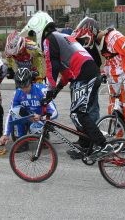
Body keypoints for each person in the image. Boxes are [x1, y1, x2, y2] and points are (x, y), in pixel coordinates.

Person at [20, 11, 113, 159]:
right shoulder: (61, 37)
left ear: (39, 27)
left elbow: (51, 67)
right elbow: (67, 71)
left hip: (85, 76)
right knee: (77, 113)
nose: (32, 36)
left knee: (79, 113)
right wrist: (56, 90)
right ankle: (86, 146)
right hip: (85, 74)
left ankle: (103, 145)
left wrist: (49, 90)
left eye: (32, 33)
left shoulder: (49, 40)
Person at [95, 27, 125, 154]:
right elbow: (109, 60)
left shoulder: (114, 37)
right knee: (114, 110)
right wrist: (104, 73)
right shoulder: (100, 42)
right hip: (114, 79)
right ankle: (120, 141)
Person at [0, 68, 58, 151]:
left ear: (31, 82)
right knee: (15, 111)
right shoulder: (17, 93)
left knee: (35, 128)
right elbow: (11, 114)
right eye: (21, 87)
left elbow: (54, 112)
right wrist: (6, 134)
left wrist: (41, 117)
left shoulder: (42, 90)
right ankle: (22, 140)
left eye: (26, 86)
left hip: (41, 119)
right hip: (28, 118)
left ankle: (44, 136)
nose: (24, 89)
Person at [69, 17, 102, 156]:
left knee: (89, 112)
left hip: (87, 81)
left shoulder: (92, 48)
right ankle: (83, 139)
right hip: (76, 80)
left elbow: (97, 64)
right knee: (78, 113)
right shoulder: (81, 44)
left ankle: (90, 144)